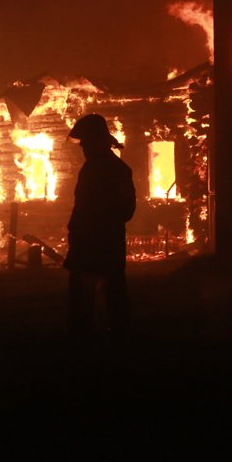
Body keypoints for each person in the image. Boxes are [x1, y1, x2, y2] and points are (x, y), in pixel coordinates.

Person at [64, 113, 136, 336]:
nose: (83, 148)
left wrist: (100, 225)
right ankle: (107, 332)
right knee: (105, 286)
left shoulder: (112, 169)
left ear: (97, 142)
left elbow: (125, 208)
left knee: (102, 287)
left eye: (86, 142)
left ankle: (100, 335)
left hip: (99, 238)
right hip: (97, 236)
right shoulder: (100, 168)